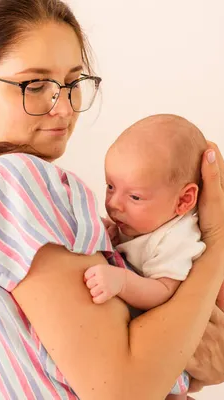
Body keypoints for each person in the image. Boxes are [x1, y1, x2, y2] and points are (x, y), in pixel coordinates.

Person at [0, 0, 224, 398]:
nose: (64, 108)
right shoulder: (15, 180)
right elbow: (122, 389)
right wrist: (220, 244)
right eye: (35, 85)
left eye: (71, 83)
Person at [84, 114, 208, 399]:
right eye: (110, 187)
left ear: (184, 201)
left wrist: (123, 282)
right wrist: (112, 234)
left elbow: (165, 292)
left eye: (135, 197)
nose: (114, 203)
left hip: (171, 354)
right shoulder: (148, 218)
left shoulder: (177, 238)